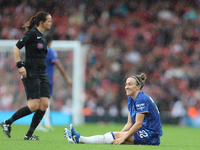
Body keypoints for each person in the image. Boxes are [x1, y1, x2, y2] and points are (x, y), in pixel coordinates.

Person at [64, 73, 163, 145]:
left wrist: (122, 137)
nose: (126, 87)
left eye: (130, 84)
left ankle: (80, 139)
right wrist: (121, 134)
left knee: (116, 136)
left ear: (138, 87)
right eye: (126, 84)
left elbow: (138, 123)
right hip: (143, 132)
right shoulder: (131, 99)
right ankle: (78, 139)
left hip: (151, 135)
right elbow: (129, 123)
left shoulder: (141, 99)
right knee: (116, 135)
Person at [1, 11, 52, 140]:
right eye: (49, 21)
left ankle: (29, 135)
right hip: (31, 72)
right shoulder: (31, 34)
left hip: (42, 73)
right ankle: (7, 122)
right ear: (42, 22)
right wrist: (20, 65)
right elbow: (16, 48)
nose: (51, 23)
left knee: (44, 104)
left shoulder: (43, 36)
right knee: (34, 106)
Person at [37, 34, 72, 132]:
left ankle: (43, 124)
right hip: (47, 80)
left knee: (41, 102)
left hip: (38, 79)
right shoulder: (51, 51)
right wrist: (67, 78)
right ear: (50, 41)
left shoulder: (38, 52)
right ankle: (44, 125)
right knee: (45, 103)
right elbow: (59, 66)